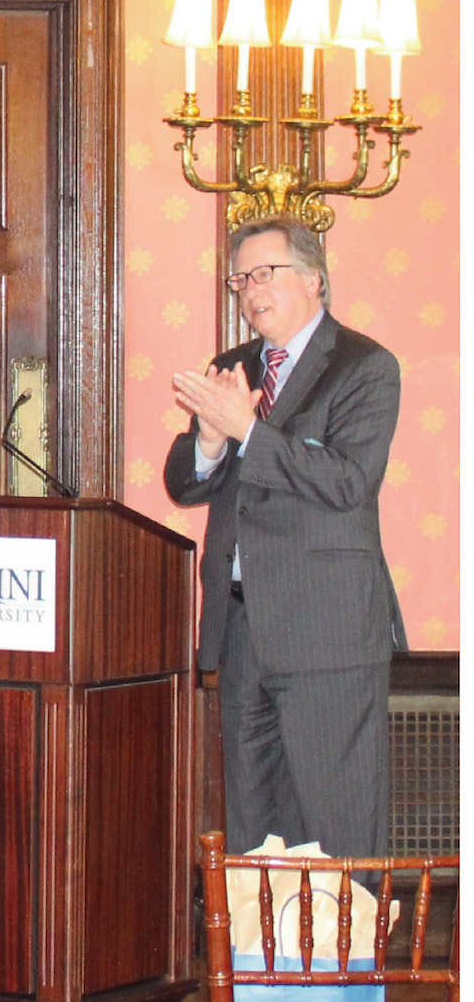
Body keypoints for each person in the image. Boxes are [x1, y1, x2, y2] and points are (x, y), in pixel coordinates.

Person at [164, 215, 403, 860]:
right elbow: (185, 485)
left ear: (315, 279)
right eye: (240, 278)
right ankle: (256, 959)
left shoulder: (364, 366)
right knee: (251, 822)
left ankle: (348, 961)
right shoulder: (233, 367)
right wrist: (210, 444)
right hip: (242, 628)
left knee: (337, 816)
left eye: (264, 273)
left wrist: (247, 430)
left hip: (327, 628)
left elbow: (349, 481)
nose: (249, 290)